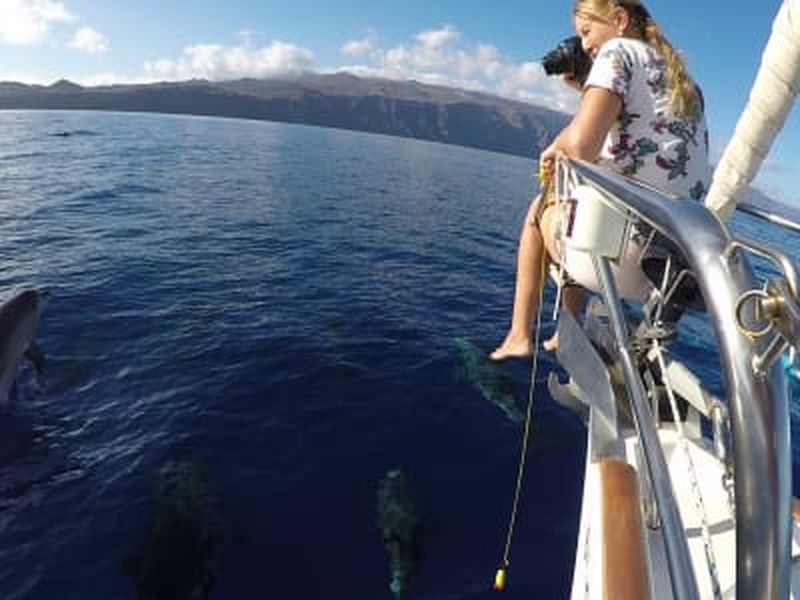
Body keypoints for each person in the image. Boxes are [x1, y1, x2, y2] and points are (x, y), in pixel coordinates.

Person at [490, 0, 709, 361]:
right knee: (582, 206)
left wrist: (555, 147)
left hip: (618, 259)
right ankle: (567, 329)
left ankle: (518, 335)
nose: (585, 46)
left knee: (538, 212)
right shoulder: (688, 85)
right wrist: (585, 93)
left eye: (587, 32)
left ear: (620, 20)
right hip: (668, 268)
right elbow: (643, 134)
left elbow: (579, 148)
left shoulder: (617, 53)